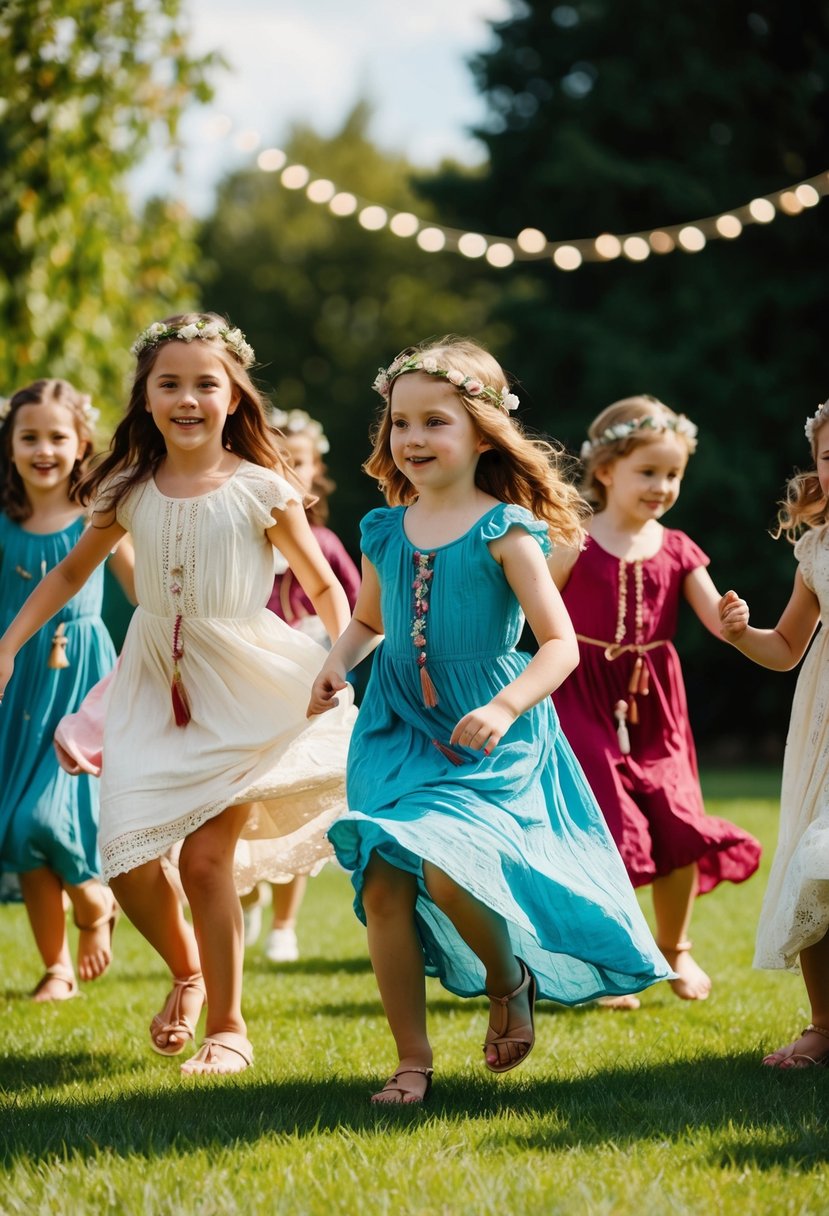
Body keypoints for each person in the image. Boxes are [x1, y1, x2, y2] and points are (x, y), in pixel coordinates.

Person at [308, 338, 672, 1105]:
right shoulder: (382, 529)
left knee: (446, 862)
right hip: (396, 727)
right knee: (380, 882)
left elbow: (560, 645)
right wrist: (339, 658)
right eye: (400, 422)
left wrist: (505, 704)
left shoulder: (505, 529)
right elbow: (369, 619)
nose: (412, 438)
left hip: (487, 732)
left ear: (481, 432)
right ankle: (411, 1058)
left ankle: (508, 982)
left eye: (434, 422)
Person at [0, 314, 354, 1076]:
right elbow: (67, 576)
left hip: (244, 686)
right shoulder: (125, 486)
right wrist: (6, 646)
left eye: (205, 384)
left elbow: (322, 581)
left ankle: (228, 1026)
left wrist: (343, 657)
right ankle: (186, 973)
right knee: (126, 857)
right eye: (170, 383)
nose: (187, 398)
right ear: (147, 397)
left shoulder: (263, 487)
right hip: (152, 682)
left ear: (233, 399)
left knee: (203, 863)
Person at [551, 395, 761, 1008]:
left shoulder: (678, 548)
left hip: (654, 704)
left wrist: (736, 618)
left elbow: (722, 624)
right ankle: (610, 962)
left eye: (673, 475)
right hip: (581, 693)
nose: (662, 486)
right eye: (648, 472)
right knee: (605, 825)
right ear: (607, 469)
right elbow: (530, 614)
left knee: (678, 822)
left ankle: (674, 949)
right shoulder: (574, 540)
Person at [0, 379, 134, 1000]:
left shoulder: (98, 515)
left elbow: (144, 591)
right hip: (13, 679)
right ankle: (55, 965)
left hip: (79, 676)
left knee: (44, 816)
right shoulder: (3, 520)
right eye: (29, 437)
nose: (43, 449)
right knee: (13, 829)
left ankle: (91, 899)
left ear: (81, 442)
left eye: (57, 436)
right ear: (10, 445)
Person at [719, 397, 829, 1067]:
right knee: (817, 866)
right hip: (824, 731)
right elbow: (787, 646)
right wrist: (741, 635)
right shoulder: (816, 548)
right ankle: (822, 1025)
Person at [241, 409, 360, 963]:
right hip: (252, 678)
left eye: (301, 463)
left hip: (310, 681)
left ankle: (285, 923)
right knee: (246, 797)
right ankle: (246, 894)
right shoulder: (247, 535)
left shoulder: (328, 544)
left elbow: (355, 611)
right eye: (277, 462)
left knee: (298, 797)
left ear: (318, 473)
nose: (289, 472)